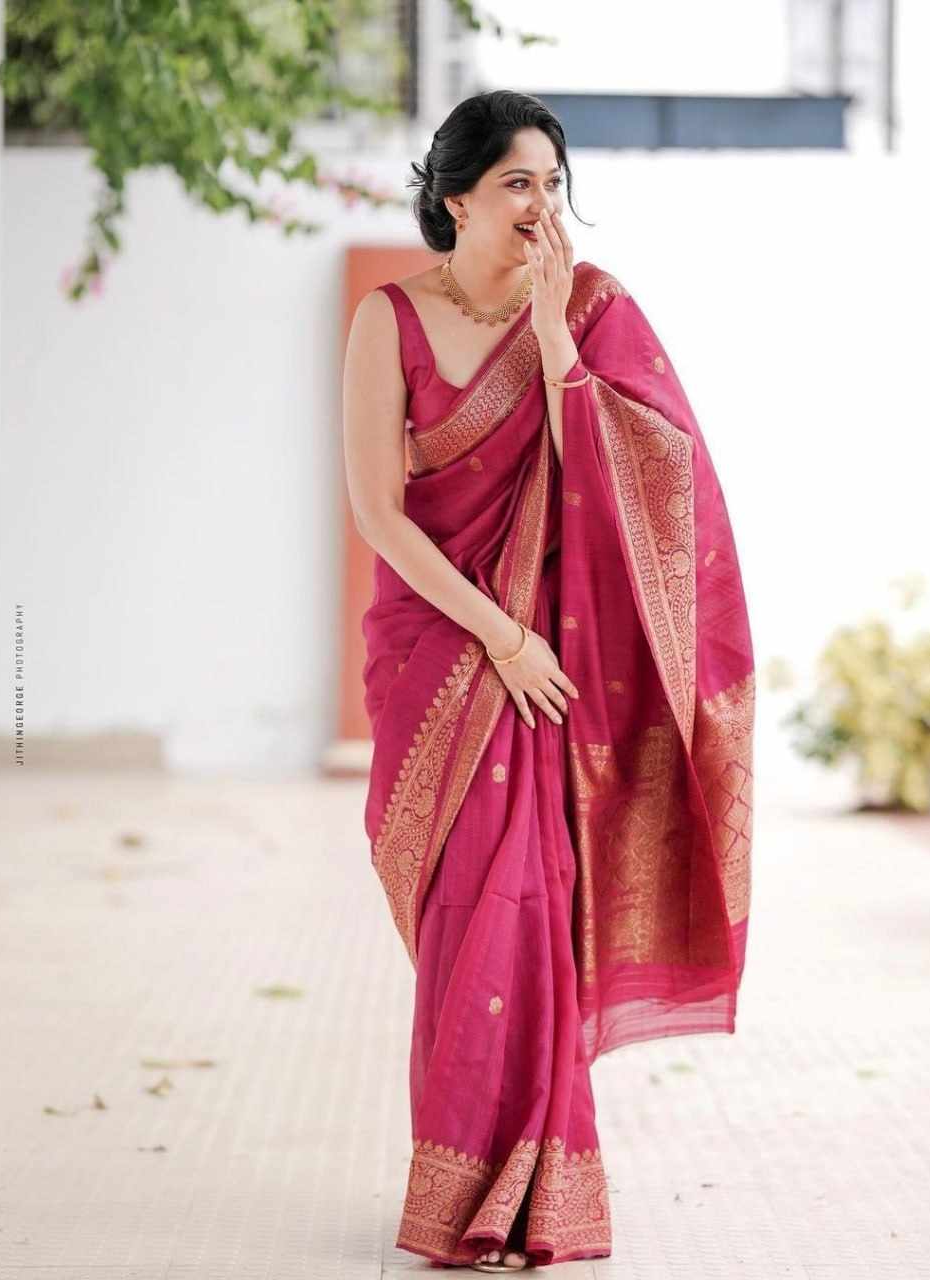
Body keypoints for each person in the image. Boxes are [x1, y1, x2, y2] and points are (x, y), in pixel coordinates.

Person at [342, 90, 755, 1273]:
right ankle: (459, 1188)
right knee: (464, 912)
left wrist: (556, 344)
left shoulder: (589, 306)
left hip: (547, 663)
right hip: (441, 648)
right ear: (456, 196)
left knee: (532, 901)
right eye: (516, 182)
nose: (540, 205)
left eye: (552, 182)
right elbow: (379, 512)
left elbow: (632, 481)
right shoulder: (389, 319)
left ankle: (535, 1193)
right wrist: (502, 640)